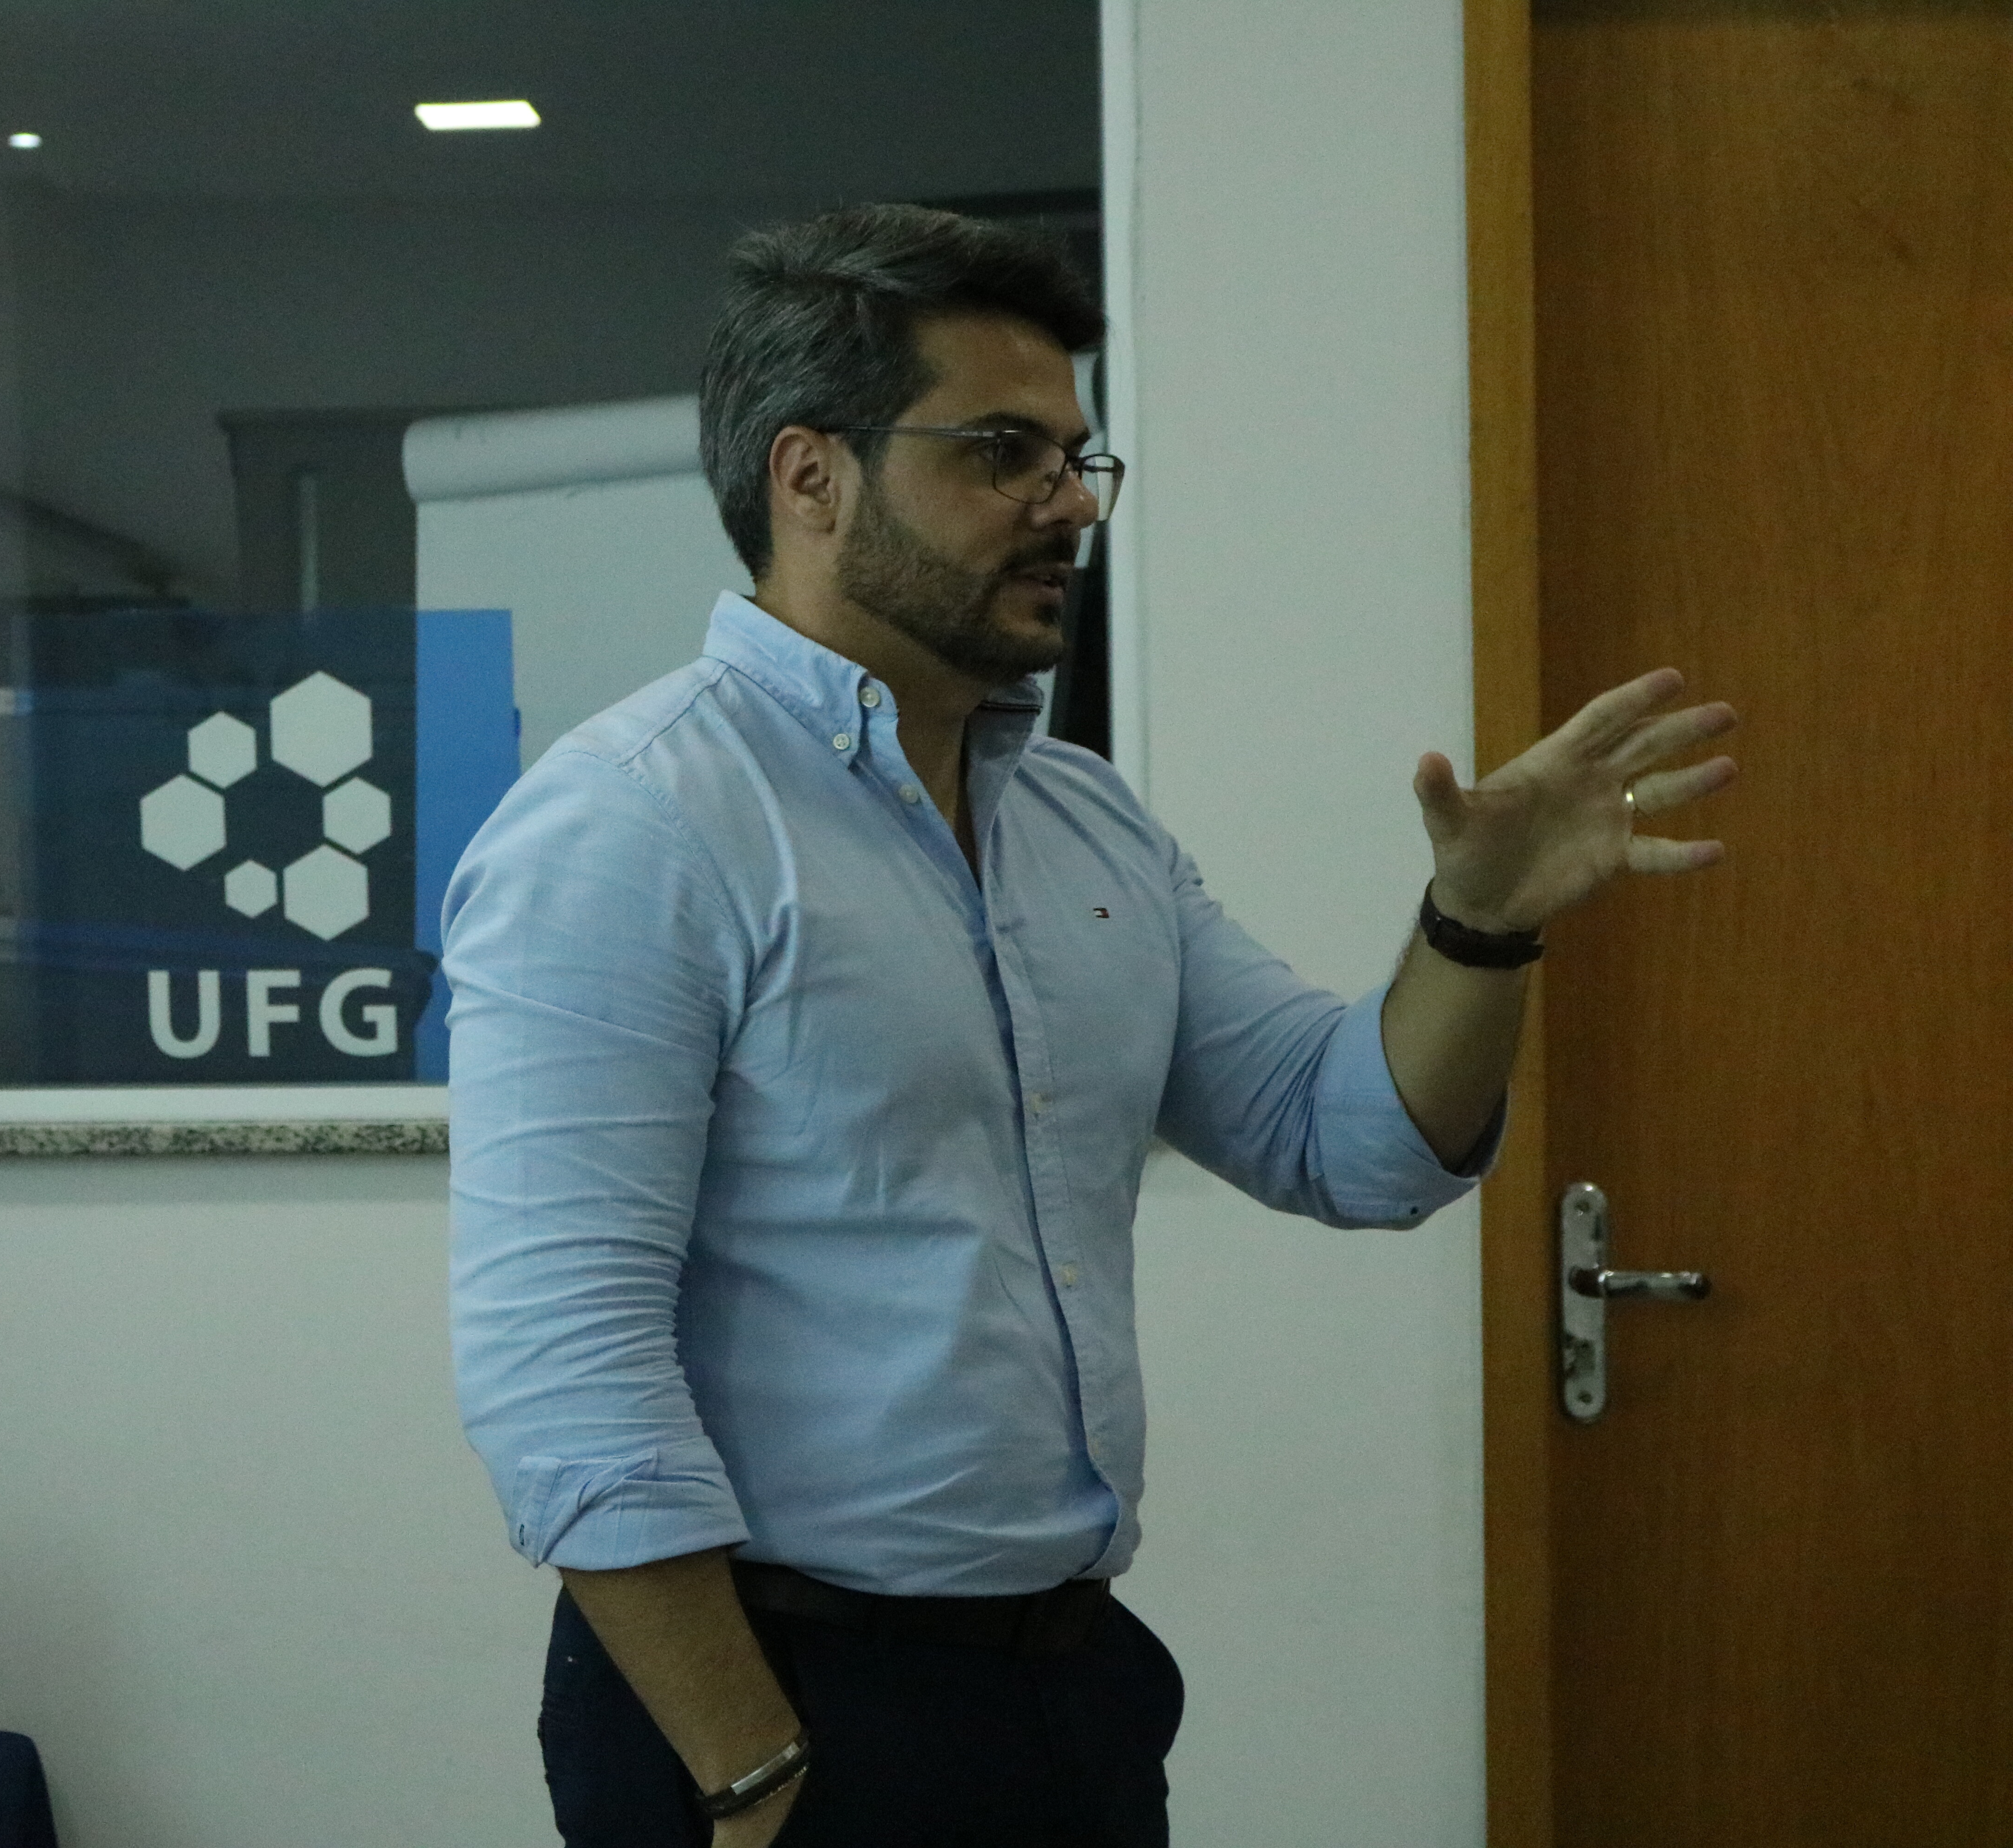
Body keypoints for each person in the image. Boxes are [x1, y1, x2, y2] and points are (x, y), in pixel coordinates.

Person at [442, 204, 1736, 1847]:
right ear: (809, 475)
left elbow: (1354, 1146)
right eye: (1002, 452)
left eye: (1075, 458)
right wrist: (753, 1772)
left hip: (1069, 1688)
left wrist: (1478, 924)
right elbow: (566, 1368)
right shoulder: (635, 826)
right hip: (770, 1708)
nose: (1065, 504)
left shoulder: (1080, 821)